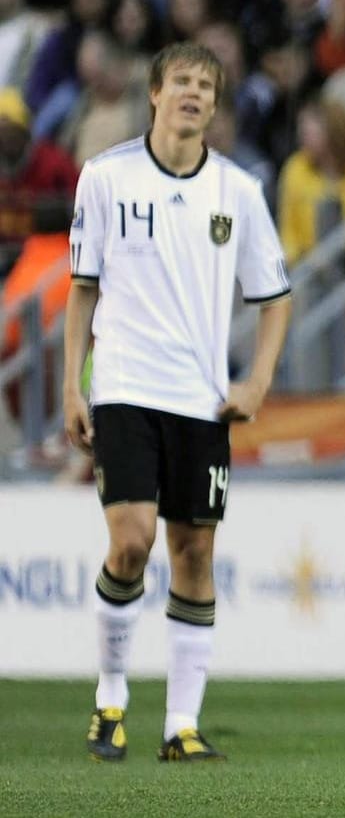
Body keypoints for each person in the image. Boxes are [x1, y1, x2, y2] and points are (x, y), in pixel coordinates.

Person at [65, 43, 293, 762]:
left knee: (193, 553)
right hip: (127, 386)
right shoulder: (106, 177)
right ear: (156, 94)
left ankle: (181, 727)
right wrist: (74, 384)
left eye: (206, 86)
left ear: (215, 106)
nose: (193, 94)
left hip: (202, 400)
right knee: (131, 541)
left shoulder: (238, 190)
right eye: (182, 82)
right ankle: (109, 698)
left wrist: (256, 381)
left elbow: (275, 298)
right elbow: (81, 289)